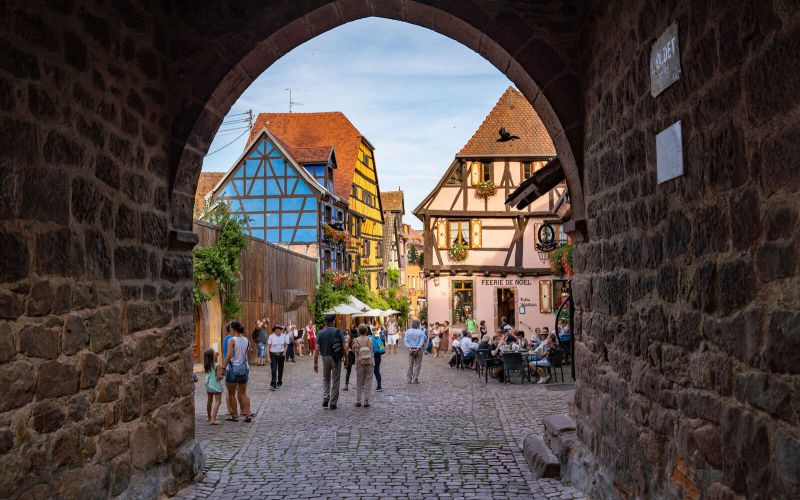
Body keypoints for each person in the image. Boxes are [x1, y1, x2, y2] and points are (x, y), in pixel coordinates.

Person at [314, 314, 345, 410]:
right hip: (336, 358)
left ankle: (325, 397)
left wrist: (315, 362)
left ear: (325, 322)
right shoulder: (339, 332)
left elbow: (317, 349)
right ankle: (333, 403)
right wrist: (346, 358)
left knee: (326, 378)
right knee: (336, 380)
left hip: (325, 357)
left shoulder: (321, 333)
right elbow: (344, 347)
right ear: (334, 321)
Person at [223, 321, 251, 422]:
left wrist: (223, 368)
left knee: (231, 394)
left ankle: (235, 416)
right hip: (244, 369)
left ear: (233, 329)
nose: (230, 330)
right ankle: (247, 415)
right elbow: (248, 354)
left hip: (233, 369)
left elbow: (229, 356)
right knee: (243, 393)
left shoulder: (232, 340)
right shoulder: (247, 340)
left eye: (230, 328)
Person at [350, 324, 375, 407]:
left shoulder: (355, 340)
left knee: (359, 382)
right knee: (368, 382)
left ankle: (358, 401)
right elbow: (371, 350)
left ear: (358, 331)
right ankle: (366, 401)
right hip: (369, 362)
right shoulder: (370, 340)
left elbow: (354, 351)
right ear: (366, 331)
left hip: (359, 362)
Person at [203, 348, 224, 425]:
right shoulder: (217, 366)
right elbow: (219, 377)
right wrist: (222, 374)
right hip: (216, 385)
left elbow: (213, 366)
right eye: (215, 353)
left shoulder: (206, 365)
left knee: (210, 401)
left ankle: (209, 417)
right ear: (212, 356)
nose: (216, 353)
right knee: (218, 401)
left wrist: (216, 358)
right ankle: (213, 419)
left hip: (208, 385)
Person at [267, 325, 287, 391]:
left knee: (280, 369)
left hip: (281, 354)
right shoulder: (271, 336)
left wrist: (284, 352)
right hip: (273, 355)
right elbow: (268, 347)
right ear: (274, 330)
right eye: (277, 329)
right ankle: (273, 384)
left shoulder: (284, 336)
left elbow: (286, 345)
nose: (279, 330)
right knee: (273, 369)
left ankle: (279, 382)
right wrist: (268, 357)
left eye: (280, 329)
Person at [343, 326, 358, 392]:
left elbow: (346, 348)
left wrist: (344, 357)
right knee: (358, 371)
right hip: (357, 355)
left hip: (350, 355)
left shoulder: (349, 339)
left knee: (348, 371)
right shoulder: (357, 339)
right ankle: (359, 385)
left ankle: (346, 385)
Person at [372, 327, 386, 392]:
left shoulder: (370, 338)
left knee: (368, 372)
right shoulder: (377, 337)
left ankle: (364, 386)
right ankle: (379, 386)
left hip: (373, 355)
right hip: (378, 356)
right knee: (377, 371)